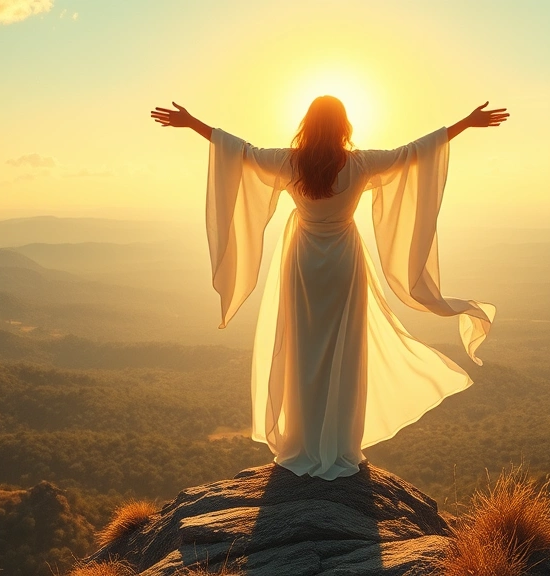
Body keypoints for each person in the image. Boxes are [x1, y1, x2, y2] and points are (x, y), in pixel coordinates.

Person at [150, 96, 508, 480]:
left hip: (303, 263)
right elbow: (414, 152)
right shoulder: (359, 164)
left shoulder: (291, 162)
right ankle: (339, 445)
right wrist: (465, 123)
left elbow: (240, 151)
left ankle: (302, 442)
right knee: (345, 349)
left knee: (303, 350)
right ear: (343, 127)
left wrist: (192, 122)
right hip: (343, 263)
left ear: (308, 124)